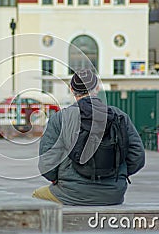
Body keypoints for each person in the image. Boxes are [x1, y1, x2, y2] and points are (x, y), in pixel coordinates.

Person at [33, 69, 145, 206]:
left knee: (36, 196)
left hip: (71, 193)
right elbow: (137, 156)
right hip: (113, 193)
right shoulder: (118, 116)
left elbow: (47, 164)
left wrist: (59, 179)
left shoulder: (60, 118)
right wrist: (119, 173)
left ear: (72, 89)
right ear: (97, 88)